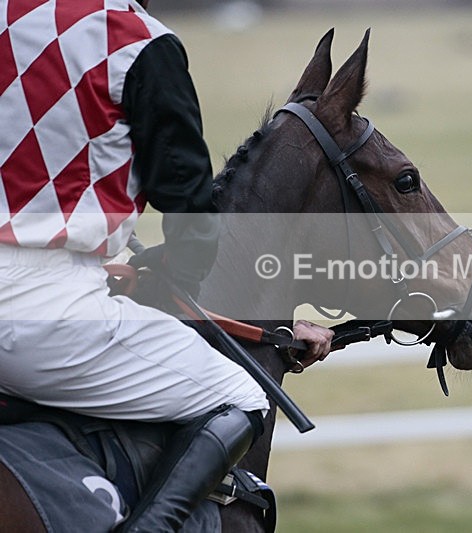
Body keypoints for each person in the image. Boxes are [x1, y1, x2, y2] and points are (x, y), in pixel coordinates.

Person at [0, 0, 333, 530]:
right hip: (42, 313)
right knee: (241, 396)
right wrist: (170, 269)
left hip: (51, 288)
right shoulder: (139, 41)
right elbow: (190, 217)